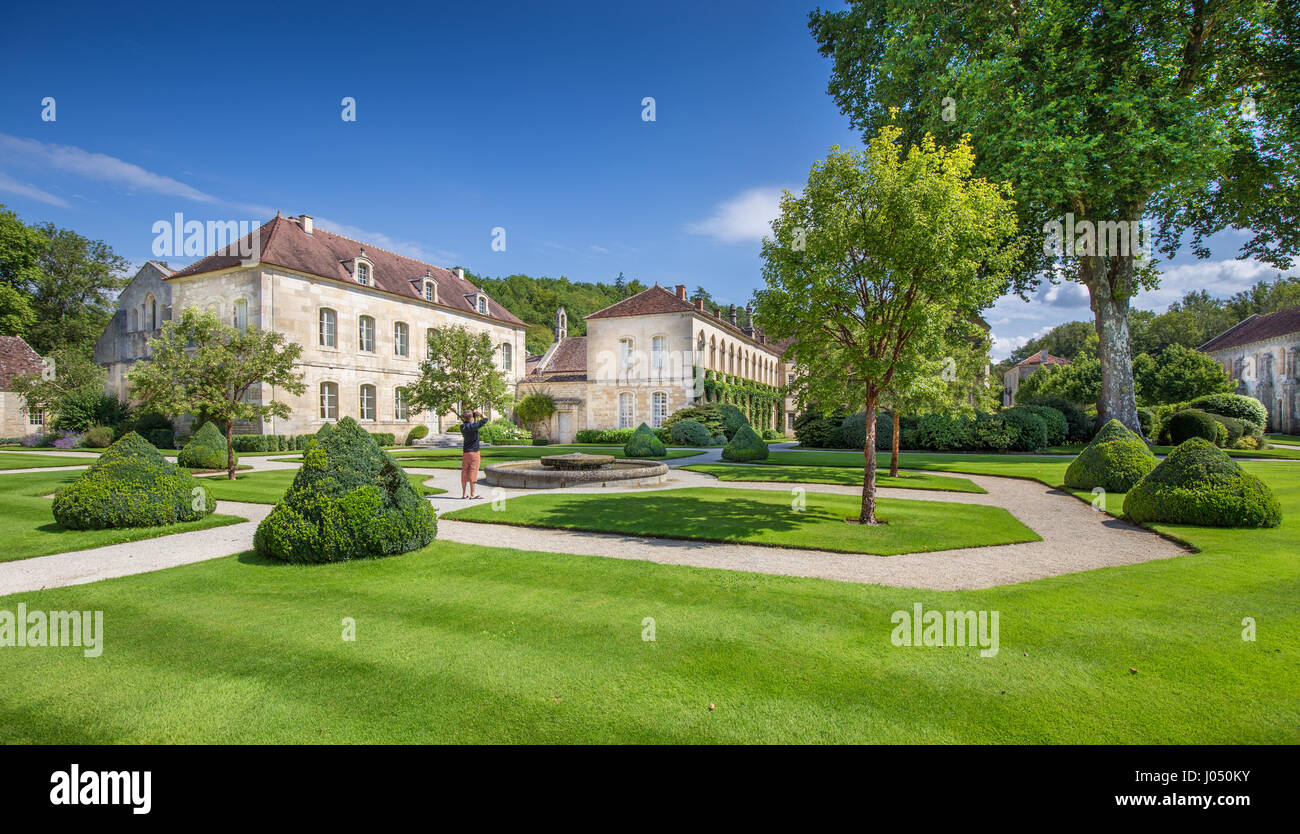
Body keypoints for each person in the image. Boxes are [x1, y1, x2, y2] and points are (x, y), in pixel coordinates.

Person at [459, 409, 490, 499]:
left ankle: (464, 494)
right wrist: (479, 413)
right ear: (471, 418)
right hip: (474, 452)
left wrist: (472, 416)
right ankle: (473, 494)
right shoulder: (473, 427)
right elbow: (485, 419)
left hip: (466, 453)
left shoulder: (462, 427)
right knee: (473, 471)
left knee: (464, 472)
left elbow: (469, 423)